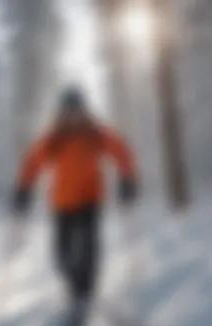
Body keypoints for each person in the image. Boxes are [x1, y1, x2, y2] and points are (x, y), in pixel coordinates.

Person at [12, 87, 139, 311]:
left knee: (89, 246)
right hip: (62, 202)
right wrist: (24, 187)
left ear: (83, 110)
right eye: (68, 111)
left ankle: (86, 289)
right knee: (61, 253)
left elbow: (121, 150)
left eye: (76, 110)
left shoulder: (95, 134)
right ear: (62, 112)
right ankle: (74, 285)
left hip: (90, 199)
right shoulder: (54, 138)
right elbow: (32, 161)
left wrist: (127, 178)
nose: (73, 116)